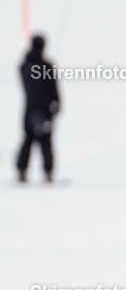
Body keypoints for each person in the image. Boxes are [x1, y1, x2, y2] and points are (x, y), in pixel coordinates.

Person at [17, 34, 60, 184]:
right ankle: (47, 173)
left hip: (30, 108)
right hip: (44, 110)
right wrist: (56, 103)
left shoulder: (26, 65)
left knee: (28, 140)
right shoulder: (45, 66)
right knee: (44, 141)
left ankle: (22, 171)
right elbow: (53, 87)